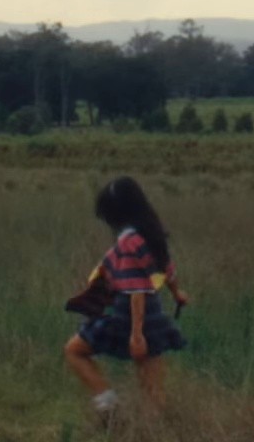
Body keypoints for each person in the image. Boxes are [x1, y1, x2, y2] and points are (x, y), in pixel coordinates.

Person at [63, 175, 190, 424]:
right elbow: (166, 268)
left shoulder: (128, 243)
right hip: (154, 314)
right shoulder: (150, 234)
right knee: (152, 391)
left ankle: (107, 402)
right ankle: (157, 435)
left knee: (74, 351)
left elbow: (135, 289)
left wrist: (136, 334)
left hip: (128, 315)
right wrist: (177, 293)